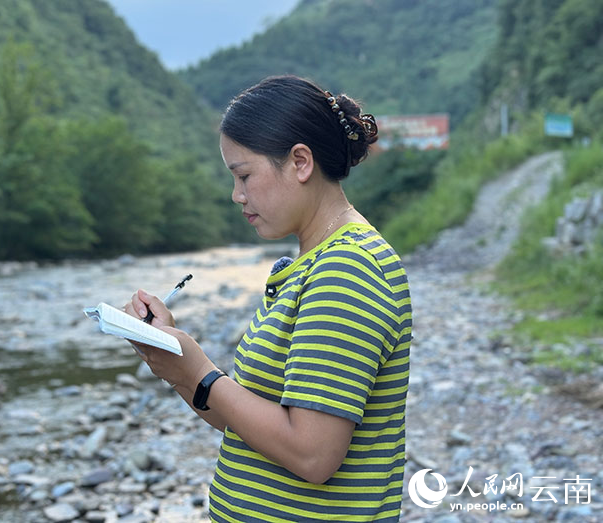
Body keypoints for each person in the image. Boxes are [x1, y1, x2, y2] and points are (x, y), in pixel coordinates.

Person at [124, 75, 412, 521]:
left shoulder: (347, 269)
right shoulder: (308, 266)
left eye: (244, 175)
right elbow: (246, 422)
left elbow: (313, 455)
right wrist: (176, 366)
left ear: (300, 162)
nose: (236, 195)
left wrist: (200, 370)